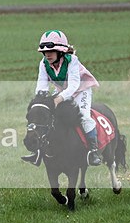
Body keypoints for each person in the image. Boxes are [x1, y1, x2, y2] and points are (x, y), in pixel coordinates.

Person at [23, 30, 102, 166]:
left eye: (51, 51)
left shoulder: (72, 61)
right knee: (45, 116)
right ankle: (38, 152)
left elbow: (73, 86)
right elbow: (42, 83)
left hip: (80, 91)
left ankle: (93, 152)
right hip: (61, 91)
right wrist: (41, 98)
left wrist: (59, 99)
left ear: (60, 52)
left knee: (84, 116)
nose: (47, 54)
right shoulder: (43, 64)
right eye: (45, 52)